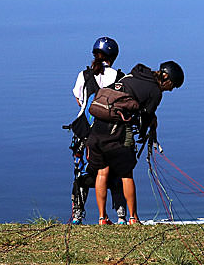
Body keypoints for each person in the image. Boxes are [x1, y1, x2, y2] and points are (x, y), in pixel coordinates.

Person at [86, 60, 184, 225]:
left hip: (97, 128)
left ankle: (102, 218)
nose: (171, 89)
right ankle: (133, 218)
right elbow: (145, 117)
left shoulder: (133, 75)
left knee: (102, 172)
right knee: (126, 174)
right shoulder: (155, 92)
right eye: (173, 85)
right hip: (117, 131)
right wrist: (149, 128)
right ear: (166, 78)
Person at [68, 37, 128, 224]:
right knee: (117, 172)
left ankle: (77, 215)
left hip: (85, 132)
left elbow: (79, 100)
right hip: (112, 133)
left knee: (82, 174)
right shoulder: (121, 78)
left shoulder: (84, 75)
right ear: (114, 56)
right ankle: (121, 216)